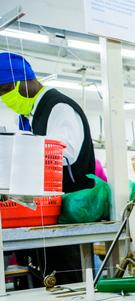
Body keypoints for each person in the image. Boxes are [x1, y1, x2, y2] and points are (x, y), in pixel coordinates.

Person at [0, 53, 96, 285]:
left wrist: (19, 164)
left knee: (69, 284)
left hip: (69, 214)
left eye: (3, 90)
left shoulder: (58, 107)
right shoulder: (33, 114)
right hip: (48, 215)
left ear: (20, 81)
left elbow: (62, 156)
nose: (3, 98)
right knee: (47, 279)